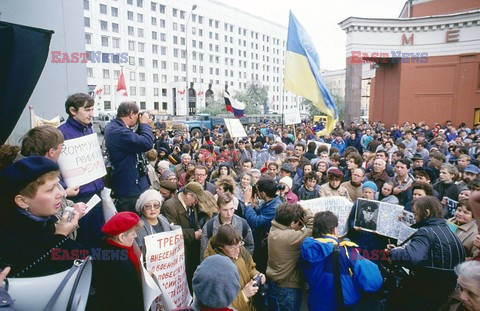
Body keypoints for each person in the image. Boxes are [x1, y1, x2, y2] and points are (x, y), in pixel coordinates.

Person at [0, 157, 82, 277]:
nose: (60, 194)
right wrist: (61, 237)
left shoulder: (40, 220)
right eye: (50, 190)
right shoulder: (14, 239)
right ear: (22, 201)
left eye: (57, 186)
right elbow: (52, 273)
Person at [388, 196, 466, 310]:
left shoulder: (426, 231)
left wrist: (394, 253)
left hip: (420, 294)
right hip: (442, 295)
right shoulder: (450, 232)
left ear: (427, 212)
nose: (414, 218)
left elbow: (412, 257)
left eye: (415, 214)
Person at [300, 211, 383, 311]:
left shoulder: (306, 248)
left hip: (315, 304)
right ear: (335, 230)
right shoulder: (347, 252)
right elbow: (373, 282)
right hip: (341, 306)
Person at [58, 93, 105, 247]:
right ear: (73, 110)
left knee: (97, 237)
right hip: (77, 198)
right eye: (87, 110)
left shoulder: (89, 130)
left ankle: (96, 269)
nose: (92, 114)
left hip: (96, 194)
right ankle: (82, 268)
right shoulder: (60, 134)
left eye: (92, 109)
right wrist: (65, 190)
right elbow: (53, 168)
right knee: (81, 240)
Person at [88, 212, 144, 311]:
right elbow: (130, 298)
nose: (135, 236)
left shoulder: (104, 246)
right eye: (133, 233)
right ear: (122, 237)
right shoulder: (121, 265)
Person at [104, 101, 154, 212]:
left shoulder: (116, 127)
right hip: (129, 190)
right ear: (131, 114)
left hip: (132, 184)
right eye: (137, 115)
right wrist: (144, 124)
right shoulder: (117, 131)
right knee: (133, 222)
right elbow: (147, 143)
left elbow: (135, 139)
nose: (138, 118)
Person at [204, 225, 266, 311]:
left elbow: (250, 267)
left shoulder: (240, 249)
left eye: (239, 244)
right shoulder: (214, 269)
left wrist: (256, 275)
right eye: (231, 247)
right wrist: (244, 295)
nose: (237, 250)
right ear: (221, 247)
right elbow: (219, 305)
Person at [162, 182, 211, 289]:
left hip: (192, 251)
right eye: (195, 200)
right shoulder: (169, 206)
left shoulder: (189, 204)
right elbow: (171, 233)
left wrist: (198, 229)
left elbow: (194, 222)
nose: (195, 203)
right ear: (188, 195)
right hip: (180, 254)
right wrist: (194, 234)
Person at [266, 203, 313, 311]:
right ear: (292, 224)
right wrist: (307, 213)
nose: (301, 225)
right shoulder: (288, 237)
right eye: (299, 223)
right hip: (289, 287)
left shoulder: (275, 228)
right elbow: (312, 228)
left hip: (279, 283)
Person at [243, 178, 283, 273]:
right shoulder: (270, 202)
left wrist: (247, 204)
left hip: (265, 245)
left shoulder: (274, 207)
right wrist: (253, 206)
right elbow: (259, 213)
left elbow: (256, 221)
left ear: (263, 193)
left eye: (258, 190)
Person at [201, 193, 254, 259]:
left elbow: (249, 246)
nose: (229, 213)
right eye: (225, 210)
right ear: (218, 209)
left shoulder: (243, 224)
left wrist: (244, 262)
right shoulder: (209, 226)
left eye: (231, 209)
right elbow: (204, 253)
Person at [134, 189, 175, 256]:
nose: (152, 209)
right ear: (142, 209)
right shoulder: (138, 228)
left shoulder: (164, 220)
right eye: (147, 206)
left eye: (156, 205)